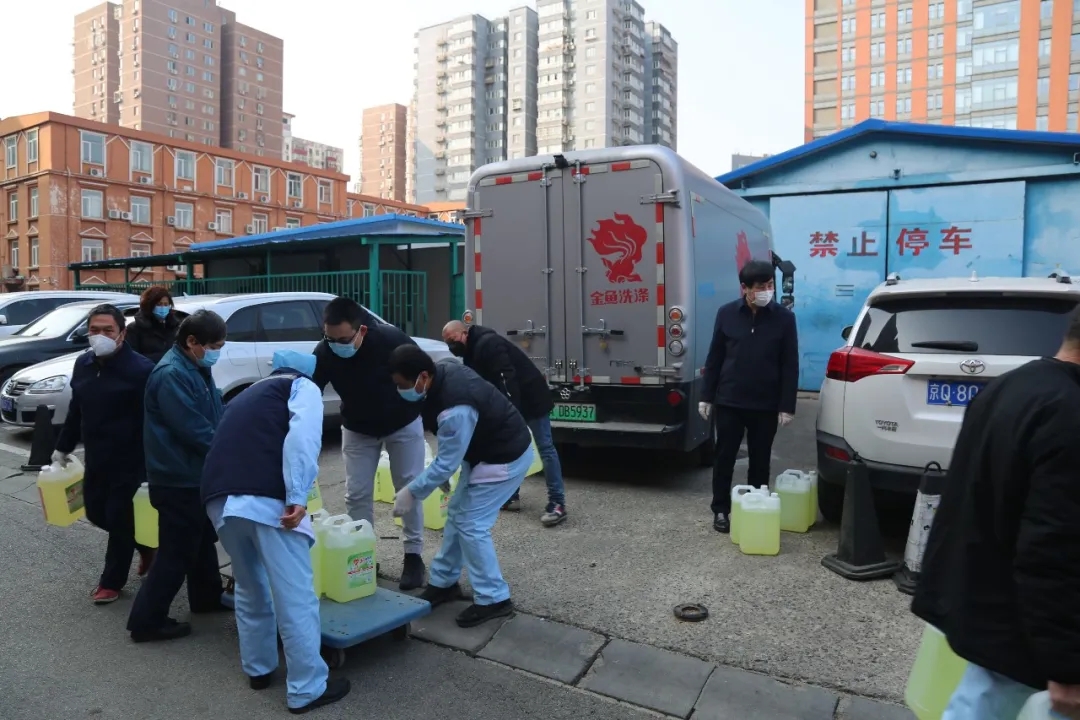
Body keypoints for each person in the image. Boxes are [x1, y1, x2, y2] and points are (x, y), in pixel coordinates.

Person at [911, 310, 1080, 720]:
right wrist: (1066, 666)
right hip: (1024, 634)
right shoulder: (1068, 412)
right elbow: (1053, 547)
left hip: (993, 610)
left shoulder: (1011, 385)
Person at [202, 350, 351, 714]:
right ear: (308, 373)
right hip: (265, 501)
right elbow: (302, 438)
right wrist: (298, 495)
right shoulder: (301, 386)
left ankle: (258, 669)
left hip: (218, 500)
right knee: (295, 596)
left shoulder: (247, 395)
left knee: (250, 586)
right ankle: (306, 689)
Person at [388, 344, 533, 628]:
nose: (400, 390)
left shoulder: (455, 407)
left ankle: (494, 598)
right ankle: (444, 583)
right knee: (457, 515)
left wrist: (412, 492)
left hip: (504, 457)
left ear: (423, 376)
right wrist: (440, 472)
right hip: (482, 453)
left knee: (471, 523)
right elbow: (449, 451)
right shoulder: (442, 372)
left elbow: (447, 462)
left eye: (403, 385)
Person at [312, 297, 427, 591]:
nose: (336, 345)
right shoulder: (324, 352)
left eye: (343, 339)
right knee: (357, 493)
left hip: (402, 423)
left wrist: (422, 406)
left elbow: (423, 372)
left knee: (409, 488)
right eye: (330, 338)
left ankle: (413, 555)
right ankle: (363, 553)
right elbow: (310, 393)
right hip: (358, 428)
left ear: (361, 330)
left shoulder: (390, 340)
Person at [127, 310, 228, 643]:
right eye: (214, 346)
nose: (217, 352)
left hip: (194, 473)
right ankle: (147, 621)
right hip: (177, 477)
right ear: (192, 341)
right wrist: (232, 452)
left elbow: (213, 412)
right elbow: (194, 430)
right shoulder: (172, 374)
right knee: (176, 552)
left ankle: (207, 596)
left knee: (201, 539)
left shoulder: (195, 366)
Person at [52, 304, 156, 605]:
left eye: (108, 330)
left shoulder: (140, 370)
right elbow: (77, 408)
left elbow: (153, 419)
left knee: (119, 518)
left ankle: (111, 582)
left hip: (131, 459)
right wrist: (62, 446)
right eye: (94, 330)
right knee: (95, 512)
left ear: (122, 333)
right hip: (97, 457)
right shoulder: (83, 364)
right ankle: (147, 546)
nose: (100, 335)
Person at [700, 259, 798, 534]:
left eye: (770, 285)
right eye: (760, 287)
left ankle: (757, 506)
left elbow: (789, 364)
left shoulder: (784, 318)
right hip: (730, 401)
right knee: (724, 457)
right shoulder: (727, 314)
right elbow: (715, 357)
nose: (767, 291)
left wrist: (786, 405)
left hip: (765, 403)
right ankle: (721, 509)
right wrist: (706, 396)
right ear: (745, 288)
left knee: (760, 459)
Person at [442, 320, 566, 525]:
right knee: (512, 450)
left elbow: (507, 379)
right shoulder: (471, 351)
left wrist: (509, 413)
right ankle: (511, 497)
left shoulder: (488, 344)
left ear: (464, 333)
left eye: (453, 339)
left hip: (531, 399)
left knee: (545, 448)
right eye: (447, 342)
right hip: (513, 402)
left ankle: (557, 502)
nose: (451, 345)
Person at [125, 286, 180, 364]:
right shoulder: (134, 329)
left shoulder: (175, 326)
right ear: (149, 305)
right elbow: (132, 358)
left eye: (166, 304)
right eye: (159, 304)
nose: (163, 308)